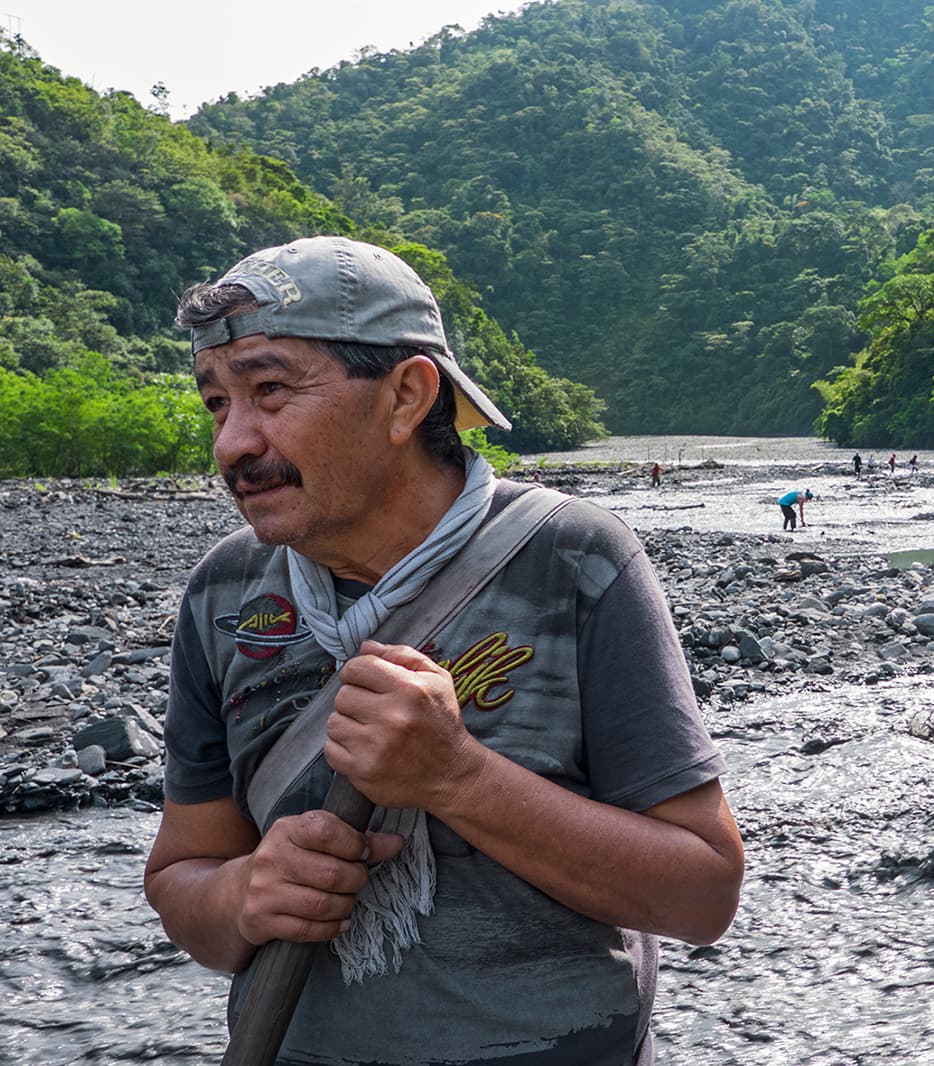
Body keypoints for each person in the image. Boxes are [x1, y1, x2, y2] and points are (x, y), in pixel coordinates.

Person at [144, 236, 743, 1066]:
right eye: (217, 403)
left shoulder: (574, 559)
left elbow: (702, 894)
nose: (232, 443)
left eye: (270, 390)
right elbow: (184, 875)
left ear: (406, 396)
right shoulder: (225, 594)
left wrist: (457, 776)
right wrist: (242, 896)